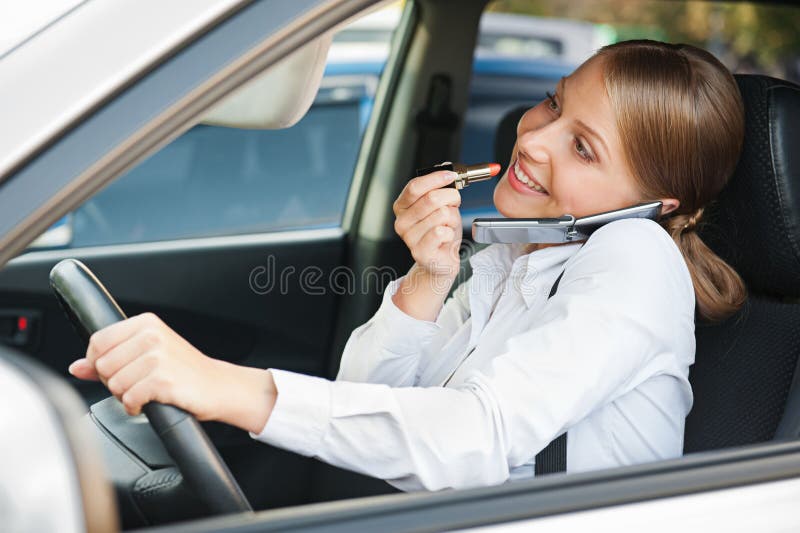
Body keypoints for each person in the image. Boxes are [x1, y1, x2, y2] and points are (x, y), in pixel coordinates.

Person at [68, 40, 747, 491]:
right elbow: (366, 393)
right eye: (553, 103)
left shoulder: (638, 256)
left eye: (583, 148)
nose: (533, 138)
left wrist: (222, 384)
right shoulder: (516, 252)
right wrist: (429, 276)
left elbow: (477, 435)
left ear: (654, 204)